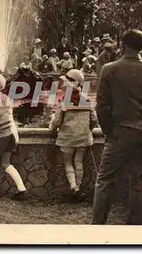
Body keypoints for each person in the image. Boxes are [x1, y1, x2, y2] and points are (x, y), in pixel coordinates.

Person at [92, 29, 142, 225]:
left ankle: (97, 226)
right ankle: (134, 230)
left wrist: (108, 131)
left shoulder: (109, 69)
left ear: (123, 45)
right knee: (139, 184)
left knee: (105, 180)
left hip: (119, 133)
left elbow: (101, 105)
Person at [49, 69, 97, 200]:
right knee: (78, 161)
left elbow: (57, 121)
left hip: (67, 137)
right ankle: (79, 186)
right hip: (83, 136)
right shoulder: (87, 99)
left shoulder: (63, 100)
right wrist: (88, 129)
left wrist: (52, 127)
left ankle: (73, 187)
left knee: (68, 162)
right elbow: (94, 119)